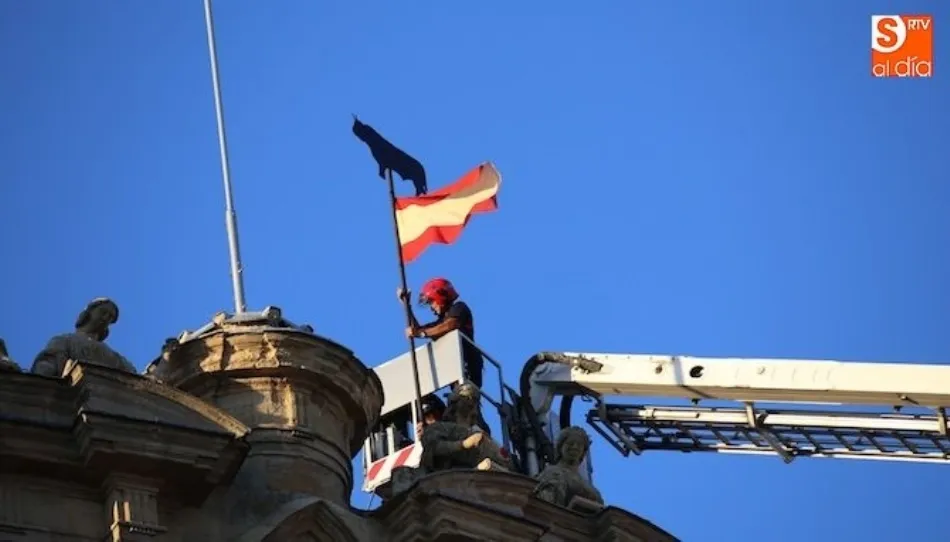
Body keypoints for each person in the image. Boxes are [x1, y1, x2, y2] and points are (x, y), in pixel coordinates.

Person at [399, 277, 483, 389]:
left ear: (441, 296)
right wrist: (406, 306)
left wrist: (422, 333)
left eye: (431, 302)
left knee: (466, 395)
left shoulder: (459, 308)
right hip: (456, 375)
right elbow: (418, 329)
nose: (431, 307)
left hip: (469, 365)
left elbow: (450, 325)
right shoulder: (441, 322)